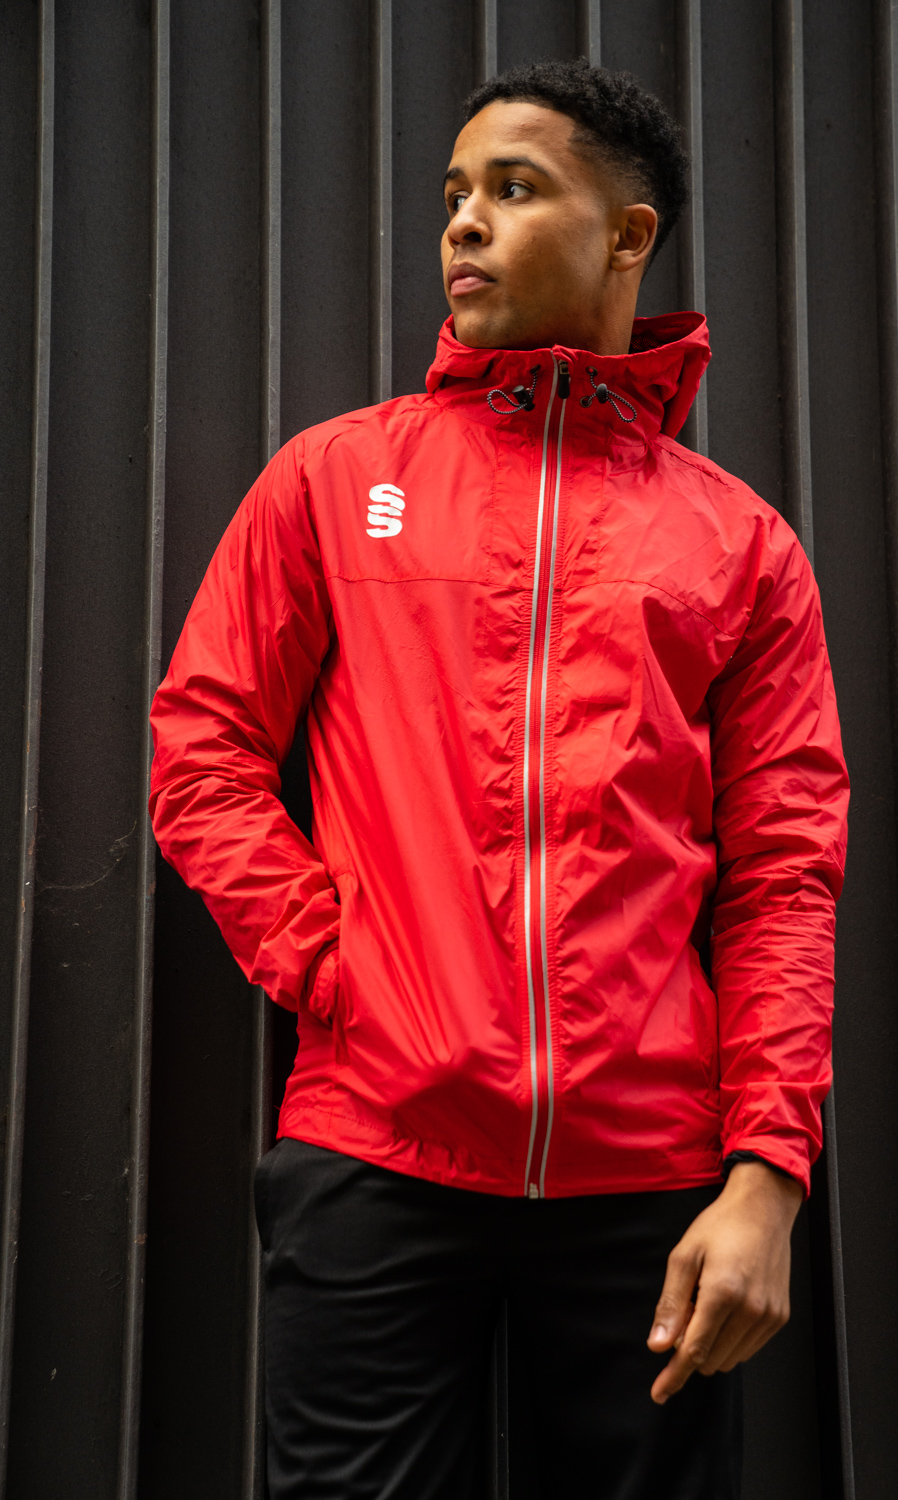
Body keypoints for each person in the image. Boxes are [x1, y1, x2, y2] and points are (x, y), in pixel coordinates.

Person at [149, 58, 848, 1500]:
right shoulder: (334, 481)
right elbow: (202, 747)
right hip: (377, 1149)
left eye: (514, 189)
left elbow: (786, 875)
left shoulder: (743, 545)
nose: (463, 222)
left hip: (652, 1185)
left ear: (629, 235)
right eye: (455, 193)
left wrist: (767, 1176)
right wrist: (332, 963)